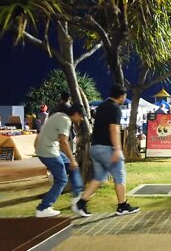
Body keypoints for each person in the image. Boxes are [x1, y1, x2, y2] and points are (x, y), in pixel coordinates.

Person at [73, 85, 140, 217]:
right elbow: (114, 129)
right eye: (124, 97)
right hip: (107, 148)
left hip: (95, 147)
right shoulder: (115, 109)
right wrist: (117, 149)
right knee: (120, 176)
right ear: (121, 96)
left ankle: (80, 204)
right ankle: (122, 206)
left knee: (99, 177)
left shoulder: (101, 107)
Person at [34, 105, 85, 217]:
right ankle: (43, 208)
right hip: (49, 151)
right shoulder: (66, 120)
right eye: (81, 117)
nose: (81, 119)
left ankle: (76, 198)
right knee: (61, 180)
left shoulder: (58, 115)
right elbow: (64, 141)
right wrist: (72, 159)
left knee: (73, 167)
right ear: (76, 114)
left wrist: (72, 162)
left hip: (49, 149)